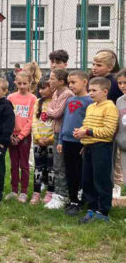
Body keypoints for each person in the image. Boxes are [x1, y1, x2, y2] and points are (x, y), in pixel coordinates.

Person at [74, 77, 118, 223]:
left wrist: (87, 132)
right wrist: (80, 133)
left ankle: (103, 211)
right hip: (88, 147)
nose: (90, 93)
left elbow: (109, 131)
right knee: (88, 179)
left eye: (94, 90)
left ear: (105, 91)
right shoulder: (91, 107)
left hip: (102, 147)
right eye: (90, 90)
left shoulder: (110, 107)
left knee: (101, 179)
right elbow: (86, 124)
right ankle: (92, 208)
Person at [57, 71, 93, 216]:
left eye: (73, 82)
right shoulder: (70, 100)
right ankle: (72, 200)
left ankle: (79, 200)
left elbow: (90, 122)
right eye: (69, 82)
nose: (70, 85)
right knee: (70, 172)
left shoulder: (90, 101)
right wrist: (60, 140)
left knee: (80, 172)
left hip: (80, 143)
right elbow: (65, 121)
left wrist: (85, 143)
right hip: (67, 141)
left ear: (85, 82)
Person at [90, 50, 123, 197]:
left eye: (98, 65)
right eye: (93, 64)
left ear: (109, 67)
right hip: (96, 125)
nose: (94, 67)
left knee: (112, 159)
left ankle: (114, 186)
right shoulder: (94, 80)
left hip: (111, 126)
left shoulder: (114, 82)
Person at [44, 68, 73, 209]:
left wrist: (49, 112)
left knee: (61, 165)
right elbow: (52, 109)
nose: (50, 81)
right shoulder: (56, 92)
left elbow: (56, 112)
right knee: (56, 164)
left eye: (52, 78)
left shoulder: (67, 94)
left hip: (64, 134)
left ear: (61, 81)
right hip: (56, 132)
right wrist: (50, 112)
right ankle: (58, 192)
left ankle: (63, 194)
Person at [6, 72, 37, 202]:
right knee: (14, 164)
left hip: (24, 137)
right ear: (15, 83)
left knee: (24, 164)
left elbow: (31, 120)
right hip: (11, 136)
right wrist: (10, 134)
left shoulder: (33, 99)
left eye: (25, 83)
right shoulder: (11, 97)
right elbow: (7, 116)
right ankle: (14, 190)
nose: (22, 86)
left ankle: (23, 191)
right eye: (19, 83)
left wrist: (21, 136)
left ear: (30, 83)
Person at [30, 78, 55, 204]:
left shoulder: (56, 103)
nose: (40, 91)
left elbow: (57, 124)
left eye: (44, 88)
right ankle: (36, 192)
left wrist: (50, 139)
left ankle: (50, 192)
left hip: (51, 142)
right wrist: (38, 137)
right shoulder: (38, 102)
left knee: (51, 168)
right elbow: (34, 121)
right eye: (39, 88)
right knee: (38, 167)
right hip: (38, 141)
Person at [114, 69, 126, 199]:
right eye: (120, 83)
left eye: (125, 83)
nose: (122, 86)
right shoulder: (119, 100)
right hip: (123, 145)